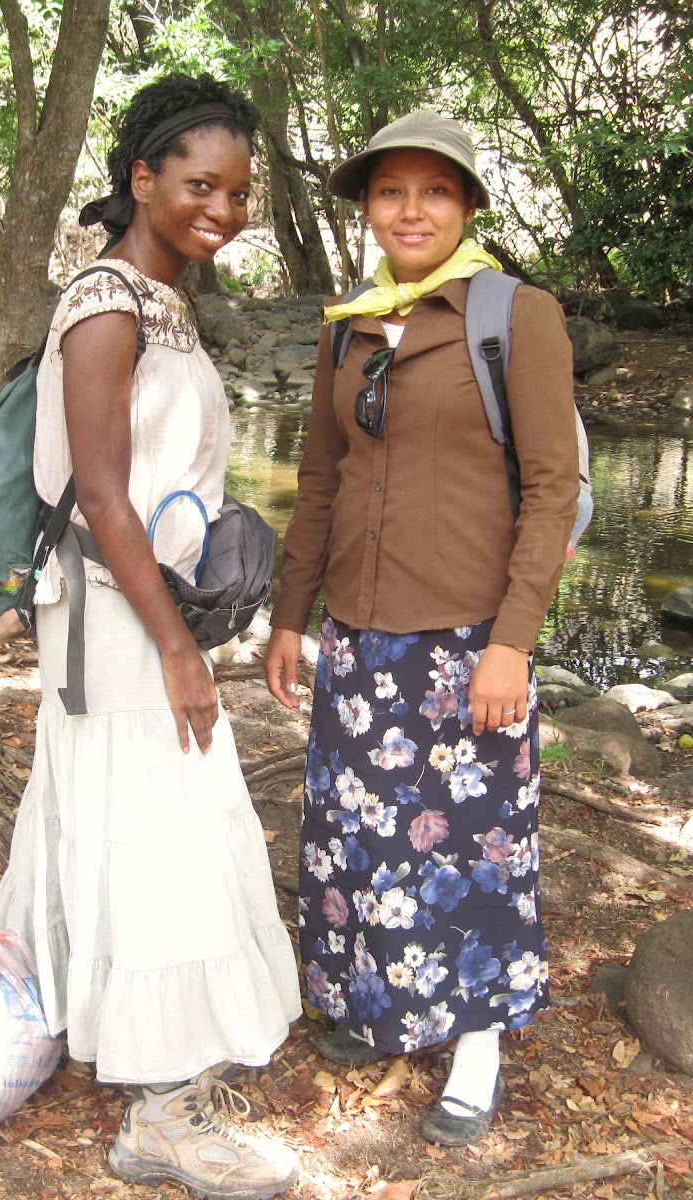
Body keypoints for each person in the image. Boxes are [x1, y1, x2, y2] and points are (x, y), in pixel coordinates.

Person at [0, 75, 300, 1200]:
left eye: (239, 192)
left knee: (135, 814)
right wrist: (176, 648)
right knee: (162, 823)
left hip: (141, 606)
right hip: (117, 619)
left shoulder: (162, 300)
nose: (223, 208)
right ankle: (162, 1114)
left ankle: (75, 1023)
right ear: (143, 179)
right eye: (200, 184)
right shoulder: (106, 303)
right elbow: (104, 496)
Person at [265, 110, 579, 1146]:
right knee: (362, 837)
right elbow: (320, 481)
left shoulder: (515, 316)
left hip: (465, 644)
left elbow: (552, 487)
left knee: (475, 850)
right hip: (358, 637)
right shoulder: (347, 326)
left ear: (469, 206)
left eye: (434, 191)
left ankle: (476, 1044)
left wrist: (512, 643)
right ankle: (377, 1005)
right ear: (366, 207)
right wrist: (289, 618)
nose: (411, 210)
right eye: (390, 191)